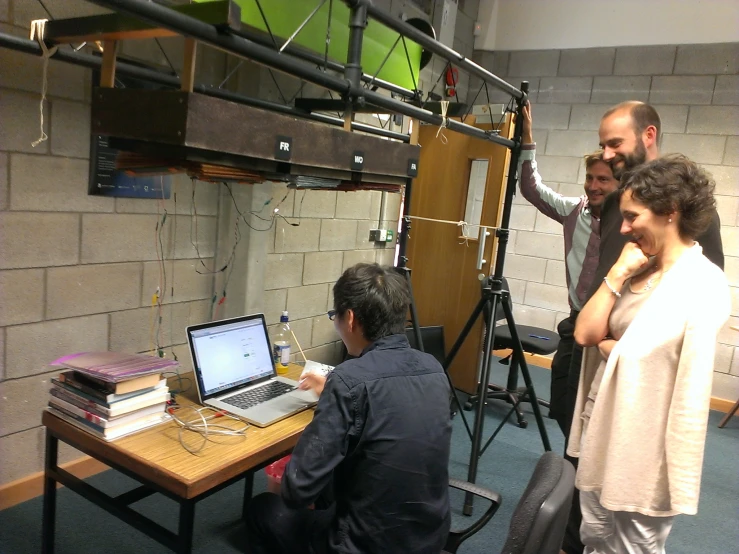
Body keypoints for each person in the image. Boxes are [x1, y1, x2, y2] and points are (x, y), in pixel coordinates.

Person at [559, 101, 725, 554]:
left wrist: (617, 345)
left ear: (670, 212)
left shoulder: (699, 279)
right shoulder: (636, 260)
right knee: (594, 531)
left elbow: (647, 352)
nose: (625, 227)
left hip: (643, 431)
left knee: (633, 544)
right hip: (602, 413)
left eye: (634, 218)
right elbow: (586, 332)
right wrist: (618, 274)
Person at [244, 263, 452, 554]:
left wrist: (317, 426)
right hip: (427, 537)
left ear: (350, 318)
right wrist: (333, 393)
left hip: (362, 545)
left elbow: (296, 491)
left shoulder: (349, 380)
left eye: (335, 316)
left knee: (263, 508)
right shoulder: (433, 368)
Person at [519, 103, 619, 437]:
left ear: (619, 184)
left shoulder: (628, 225)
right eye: (590, 178)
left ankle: (583, 479)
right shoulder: (575, 211)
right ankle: (573, 468)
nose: (594, 186)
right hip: (575, 322)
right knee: (562, 408)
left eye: (603, 180)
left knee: (593, 417)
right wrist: (527, 139)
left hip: (608, 331)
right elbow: (532, 188)